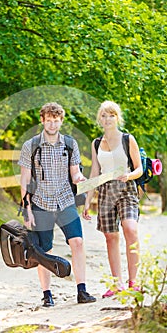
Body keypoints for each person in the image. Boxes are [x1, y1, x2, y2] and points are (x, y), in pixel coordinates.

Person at [18, 102, 97, 307]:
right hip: (40, 203)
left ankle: (82, 291)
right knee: (44, 250)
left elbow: (75, 172)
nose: (52, 125)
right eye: (49, 120)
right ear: (42, 120)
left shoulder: (70, 144)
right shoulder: (31, 146)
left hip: (65, 201)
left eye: (56, 121)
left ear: (61, 121)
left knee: (77, 242)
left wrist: (80, 178)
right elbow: (25, 180)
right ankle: (47, 294)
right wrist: (27, 210)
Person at [82, 100, 143, 298]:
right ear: (99, 119)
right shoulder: (97, 143)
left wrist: (129, 176)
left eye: (112, 115)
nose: (107, 119)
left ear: (118, 118)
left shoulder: (127, 139)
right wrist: (87, 200)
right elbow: (94, 172)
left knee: (130, 228)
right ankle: (117, 283)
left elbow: (139, 168)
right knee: (110, 237)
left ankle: (134, 282)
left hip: (126, 188)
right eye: (104, 115)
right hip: (105, 191)